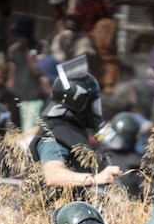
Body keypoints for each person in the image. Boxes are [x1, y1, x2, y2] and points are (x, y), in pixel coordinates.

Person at [29, 56, 123, 191]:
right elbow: (52, 175)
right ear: (79, 102)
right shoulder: (55, 133)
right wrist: (97, 179)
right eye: (92, 103)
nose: (95, 109)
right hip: (56, 211)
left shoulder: (70, 129)